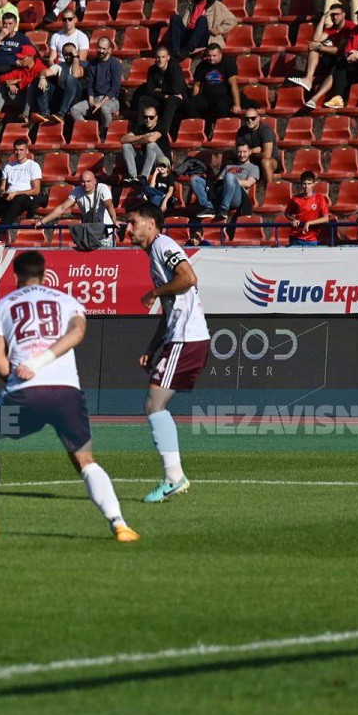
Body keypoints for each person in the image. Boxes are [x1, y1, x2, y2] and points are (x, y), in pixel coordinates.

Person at [0, 250, 138, 541]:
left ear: (15, 275)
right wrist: (45, 358)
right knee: (85, 460)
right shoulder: (67, 300)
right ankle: (120, 524)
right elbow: (77, 332)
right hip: (67, 394)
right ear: (45, 275)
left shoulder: (2, 306)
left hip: (26, 393)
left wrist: (22, 374)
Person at [123, 200, 210, 504]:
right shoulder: (155, 253)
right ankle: (174, 476)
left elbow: (188, 277)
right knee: (155, 403)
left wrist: (154, 292)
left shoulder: (162, 244)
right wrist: (153, 345)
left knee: (154, 403)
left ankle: (174, 477)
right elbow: (171, 307)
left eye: (132, 221)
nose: (128, 228)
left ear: (150, 222)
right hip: (181, 337)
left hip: (187, 337)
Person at [289, 4, 355, 106]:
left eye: (337, 14)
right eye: (332, 15)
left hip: (347, 60)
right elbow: (316, 38)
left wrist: (320, 47)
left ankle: (315, 99)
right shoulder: (332, 28)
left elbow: (341, 51)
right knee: (313, 47)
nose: (334, 17)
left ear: (344, 15)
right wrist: (324, 18)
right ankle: (308, 79)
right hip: (335, 58)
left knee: (333, 67)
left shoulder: (349, 27)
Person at [35, 169, 116, 245]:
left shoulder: (103, 188)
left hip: (106, 232)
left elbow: (109, 204)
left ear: (95, 181)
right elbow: (62, 208)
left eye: (89, 181)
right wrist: (42, 221)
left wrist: (114, 221)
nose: (86, 184)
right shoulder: (77, 191)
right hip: (90, 232)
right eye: (83, 182)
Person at [168, 0, 237, 59]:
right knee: (175, 18)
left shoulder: (217, 5)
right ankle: (175, 51)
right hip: (189, 34)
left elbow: (233, 20)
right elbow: (184, 22)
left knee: (202, 19)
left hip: (202, 37)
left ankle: (188, 50)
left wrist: (219, 29)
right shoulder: (192, 3)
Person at [69, 37, 121, 138]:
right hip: (95, 98)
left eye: (104, 49)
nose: (101, 51)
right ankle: (89, 133)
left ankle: (105, 136)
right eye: (99, 48)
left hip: (111, 100)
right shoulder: (92, 64)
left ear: (109, 50)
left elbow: (115, 88)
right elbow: (90, 84)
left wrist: (101, 104)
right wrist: (91, 101)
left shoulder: (115, 64)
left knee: (105, 109)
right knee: (74, 109)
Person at [119, 105, 172, 185]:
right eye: (145, 117)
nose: (148, 120)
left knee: (151, 145)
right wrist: (142, 136)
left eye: (151, 117)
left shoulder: (161, 126)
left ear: (156, 117)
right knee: (126, 146)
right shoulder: (141, 128)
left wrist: (135, 140)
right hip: (148, 162)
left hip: (162, 163)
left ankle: (144, 177)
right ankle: (132, 177)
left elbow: (150, 139)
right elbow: (123, 139)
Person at [285, 170, 329, 245]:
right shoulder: (295, 198)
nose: (306, 186)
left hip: (311, 239)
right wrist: (294, 219)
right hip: (295, 237)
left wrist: (309, 223)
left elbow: (326, 218)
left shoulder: (319, 198)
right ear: (301, 184)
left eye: (309, 184)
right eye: (304, 184)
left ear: (313, 184)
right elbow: (287, 213)